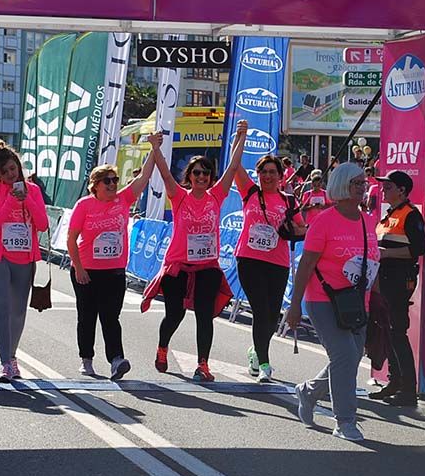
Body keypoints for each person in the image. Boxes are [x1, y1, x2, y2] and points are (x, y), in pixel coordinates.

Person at [141, 121, 246, 382]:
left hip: (207, 267)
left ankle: (203, 364)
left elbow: (233, 167)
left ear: (210, 178)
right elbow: (165, 175)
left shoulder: (217, 196)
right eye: (197, 173)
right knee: (174, 314)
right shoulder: (179, 196)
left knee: (204, 316)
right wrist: (156, 148)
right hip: (178, 266)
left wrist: (241, 136)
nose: (201, 177)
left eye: (206, 174)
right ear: (189, 176)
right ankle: (162, 347)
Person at [287, 162, 380, 442]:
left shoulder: (367, 220)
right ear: (342, 186)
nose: (363, 188)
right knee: (343, 356)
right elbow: (306, 266)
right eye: (357, 183)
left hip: (356, 302)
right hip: (323, 300)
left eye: (364, 183)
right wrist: (294, 306)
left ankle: (310, 391)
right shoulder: (324, 221)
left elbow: (372, 261)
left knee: (349, 358)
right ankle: (345, 421)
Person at [67, 143, 155, 380]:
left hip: (114, 271)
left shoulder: (123, 199)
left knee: (110, 316)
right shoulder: (84, 205)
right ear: (95, 185)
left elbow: (145, 176)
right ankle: (86, 359)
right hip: (87, 270)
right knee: (87, 316)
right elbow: (71, 239)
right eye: (107, 180)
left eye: (115, 180)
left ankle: (117, 359)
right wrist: (79, 268)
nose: (113, 184)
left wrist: (155, 148)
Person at [233, 154, 307, 382]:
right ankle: (264, 364)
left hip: (278, 262)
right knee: (260, 309)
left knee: (273, 315)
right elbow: (234, 165)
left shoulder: (289, 201)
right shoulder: (251, 192)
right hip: (249, 259)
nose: (267, 176)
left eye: (272, 172)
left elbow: (303, 229)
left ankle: (256, 351)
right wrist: (241, 136)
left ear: (280, 176)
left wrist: (290, 229)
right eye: (263, 171)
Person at [0, 140, 50, 382]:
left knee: (18, 311)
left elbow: (42, 224)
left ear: (18, 168)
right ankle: (4, 364)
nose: (11, 175)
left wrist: (26, 200)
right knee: (2, 309)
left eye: (13, 169)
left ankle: (12, 357)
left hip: (25, 257)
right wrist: (11, 200)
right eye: (5, 172)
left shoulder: (33, 190)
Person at [369, 170, 425, 408]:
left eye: (389, 186)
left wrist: (385, 254)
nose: (383, 190)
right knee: (388, 331)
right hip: (383, 279)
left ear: (402, 190)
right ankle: (394, 382)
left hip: (399, 280)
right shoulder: (388, 216)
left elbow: (418, 249)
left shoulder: (411, 215)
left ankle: (407, 391)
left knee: (398, 332)